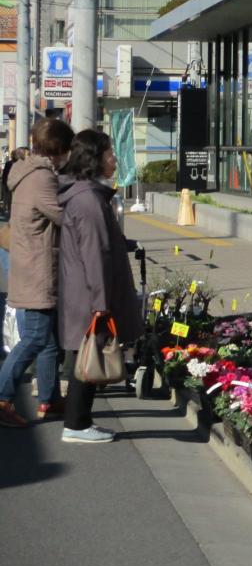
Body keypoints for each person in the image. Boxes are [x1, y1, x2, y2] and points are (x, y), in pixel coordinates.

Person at [57, 130, 144, 443]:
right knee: (89, 356)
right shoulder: (89, 201)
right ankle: (77, 425)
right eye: (109, 154)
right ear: (94, 159)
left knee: (87, 354)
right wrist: (101, 302)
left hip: (85, 292)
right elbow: (96, 254)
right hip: (91, 295)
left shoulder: (85, 196)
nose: (114, 159)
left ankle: (80, 422)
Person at [0, 122, 73, 428]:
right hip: (38, 268)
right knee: (34, 337)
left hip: (31, 263)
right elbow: (64, 216)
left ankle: (50, 398)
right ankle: (3, 397)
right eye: (67, 149)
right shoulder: (42, 178)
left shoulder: (27, 172)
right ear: (58, 150)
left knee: (50, 341)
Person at [0, 146, 28, 218]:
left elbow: (5, 174)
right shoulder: (13, 164)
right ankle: (9, 212)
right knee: (9, 199)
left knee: (8, 199)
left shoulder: (9, 163)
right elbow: (5, 174)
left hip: (8, 183)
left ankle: (8, 211)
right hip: (11, 184)